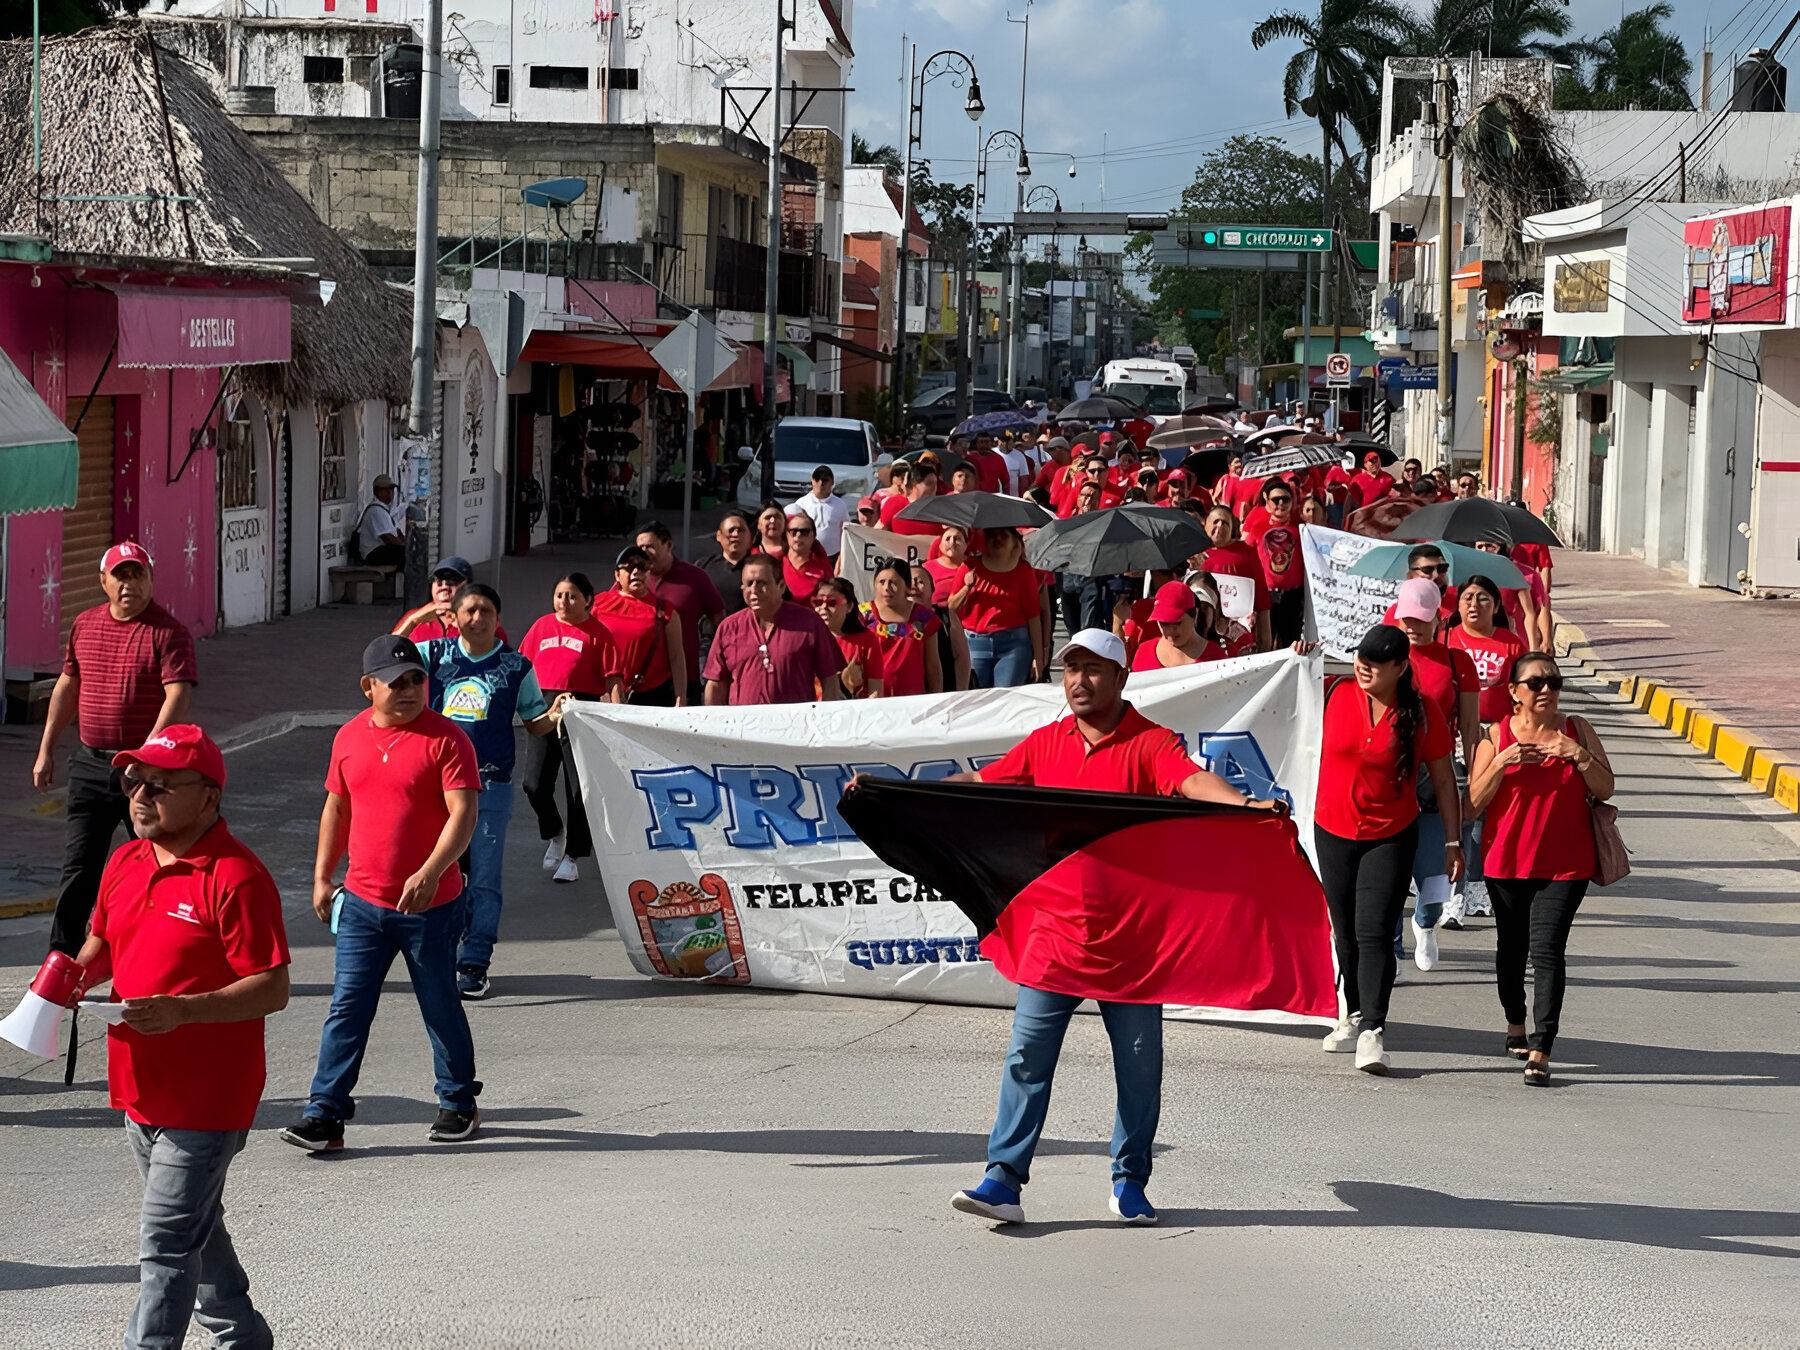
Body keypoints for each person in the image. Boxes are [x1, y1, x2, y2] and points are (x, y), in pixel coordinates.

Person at [943, 629, 1277, 1227]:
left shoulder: (1150, 743)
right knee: (1027, 1056)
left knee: (1140, 1063)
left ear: (1121, 678)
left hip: (1132, 940)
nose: (1078, 681)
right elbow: (982, 785)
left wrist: (1247, 807)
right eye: (1069, 669)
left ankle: (1129, 1182)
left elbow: (1191, 783)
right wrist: (904, 794)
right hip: (1056, 933)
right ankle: (1002, 1180)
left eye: (1092, 669)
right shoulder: (1046, 743)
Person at [73, 724, 288, 1350]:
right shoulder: (125, 860)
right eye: (134, 781)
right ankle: (242, 1335)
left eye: (162, 786)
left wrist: (183, 1012)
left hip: (208, 1098)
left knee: (166, 1241)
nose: (141, 795)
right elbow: (105, 944)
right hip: (139, 1085)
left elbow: (271, 988)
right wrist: (71, 978)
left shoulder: (236, 876)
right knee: (198, 1227)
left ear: (209, 799)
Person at [282, 635, 481, 1151]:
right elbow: (336, 809)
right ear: (369, 687)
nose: (410, 690)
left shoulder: (448, 740)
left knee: (438, 1003)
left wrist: (433, 871)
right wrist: (323, 876)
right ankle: (324, 1114)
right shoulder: (348, 738)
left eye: (416, 679)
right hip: (363, 905)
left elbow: (463, 814)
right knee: (347, 1007)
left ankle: (458, 1102)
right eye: (396, 683)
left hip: (430, 907)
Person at [35, 542, 198, 957]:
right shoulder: (85, 625)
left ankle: (169, 950)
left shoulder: (169, 632)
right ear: (103, 582)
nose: (129, 584)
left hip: (147, 775)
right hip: (90, 767)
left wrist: (145, 759)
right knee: (79, 869)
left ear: (151, 579)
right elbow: (68, 687)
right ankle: (62, 960)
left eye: (137, 574)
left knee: (163, 862)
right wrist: (46, 748)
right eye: (120, 576)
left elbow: (176, 696)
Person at [402, 584, 565, 998]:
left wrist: (557, 714)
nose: (478, 618)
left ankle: (475, 961)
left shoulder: (516, 667)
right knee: (439, 871)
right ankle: (442, 949)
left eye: (487, 611)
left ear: (498, 618)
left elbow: (535, 723)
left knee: (485, 878)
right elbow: (388, 658)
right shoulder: (433, 656)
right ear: (454, 617)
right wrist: (420, 618)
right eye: (470, 611)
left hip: (489, 786)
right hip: (433, 787)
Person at [1314, 624, 1461, 1075]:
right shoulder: (1333, 692)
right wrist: (1298, 654)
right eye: (1361, 658)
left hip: (1391, 834)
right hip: (1332, 829)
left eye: (1376, 664)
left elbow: (1442, 781)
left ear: (1400, 667)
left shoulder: (1424, 713)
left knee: (1375, 929)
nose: (1364, 668)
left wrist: (1454, 842)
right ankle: (1353, 1013)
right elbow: (1281, 692)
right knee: (1345, 931)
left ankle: (1374, 1030)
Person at [1467, 652, 1614, 1086]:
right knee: (1512, 950)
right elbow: (1472, 806)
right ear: (1514, 693)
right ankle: (1515, 1023)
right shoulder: (1494, 738)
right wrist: (1501, 763)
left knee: (1548, 951)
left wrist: (1577, 756)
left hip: (1567, 865)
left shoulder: (1578, 731)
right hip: (1507, 862)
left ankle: (1541, 1048)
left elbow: (1607, 787)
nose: (1546, 689)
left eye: (1553, 681)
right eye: (1535, 683)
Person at [1386, 578, 1481, 972]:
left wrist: (1475, 780)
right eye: (1405, 617)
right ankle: (1388, 953)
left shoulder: (1457, 663)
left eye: (1420, 619)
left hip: (1436, 777)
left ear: (1438, 618)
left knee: (1436, 875)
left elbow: (1472, 728)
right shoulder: (1386, 658)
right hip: (1389, 777)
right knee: (1387, 876)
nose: (1412, 626)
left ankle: (1426, 923)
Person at [518, 573, 621, 885]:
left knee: (578, 789)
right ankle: (554, 831)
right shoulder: (541, 627)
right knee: (534, 783)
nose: (565, 601)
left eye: (573, 595)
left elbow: (613, 678)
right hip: (543, 706)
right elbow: (522, 666)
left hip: (580, 708)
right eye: (560, 595)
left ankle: (573, 856)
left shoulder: (598, 634)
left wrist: (616, 715)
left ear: (588, 599)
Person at [1441, 575, 1525, 928]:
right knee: (1458, 815)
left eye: (1483, 599)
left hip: (1495, 738)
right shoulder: (1446, 639)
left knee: (1480, 817)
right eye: (1468, 598)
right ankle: (1452, 894)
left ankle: (1477, 887)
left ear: (1496, 605)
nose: (1474, 605)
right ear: (1457, 605)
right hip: (1454, 737)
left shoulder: (1510, 644)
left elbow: (1522, 695)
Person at [704, 554, 846, 705]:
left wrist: (826, 720)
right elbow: (716, 685)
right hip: (742, 725)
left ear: (781, 586)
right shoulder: (729, 628)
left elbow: (829, 679)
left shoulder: (809, 623)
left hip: (795, 724)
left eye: (761, 583)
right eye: (749, 583)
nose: (754, 590)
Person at [634, 520, 724, 706]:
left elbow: (719, 618)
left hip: (684, 677)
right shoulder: (632, 579)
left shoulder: (695, 577)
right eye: (640, 547)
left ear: (668, 545)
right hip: (641, 679)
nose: (644, 553)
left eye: (649, 546)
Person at [594, 546, 687, 706]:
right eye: (629, 567)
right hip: (604, 693)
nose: (636, 572)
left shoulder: (664, 611)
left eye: (642, 567)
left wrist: (680, 699)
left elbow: (677, 658)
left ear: (649, 573)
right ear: (617, 575)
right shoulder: (597, 604)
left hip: (650, 696)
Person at [952, 527, 1044, 688]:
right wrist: (967, 587)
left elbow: (1033, 616)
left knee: (1006, 702)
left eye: (1004, 535)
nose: (998, 539)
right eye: (992, 535)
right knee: (978, 702)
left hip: (1013, 646)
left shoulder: (1023, 571)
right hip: (975, 644)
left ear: (1014, 541)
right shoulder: (970, 566)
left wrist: (1038, 656)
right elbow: (951, 606)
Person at [860, 559, 945, 697]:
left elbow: (933, 666)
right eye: (881, 582)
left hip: (912, 701)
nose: (886, 588)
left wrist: (936, 699)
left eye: (893, 583)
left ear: (907, 587)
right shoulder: (862, 616)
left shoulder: (924, 618)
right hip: (871, 701)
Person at [1198, 505, 1272, 652]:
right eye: (1216, 521)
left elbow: (1262, 603)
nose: (1219, 526)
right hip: (1200, 631)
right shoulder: (1193, 553)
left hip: (1237, 633)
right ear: (1205, 524)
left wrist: (1265, 643)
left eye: (1225, 523)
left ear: (1232, 529)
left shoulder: (1246, 555)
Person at [393, 556, 509, 644]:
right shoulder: (415, 617)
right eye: (438, 581)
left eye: (452, 581)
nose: (444, 587)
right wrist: (413, 621)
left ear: (468, 587)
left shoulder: (482, 622)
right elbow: (387, 653)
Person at [1248, 482, 1305, 646]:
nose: (1280, 503)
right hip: (1266, 594)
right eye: (1276, 499)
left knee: (1291, 644)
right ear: (1267, 501)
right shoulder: (1257, 528)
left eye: (1285, 499)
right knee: (1264, 643)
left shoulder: (1302, 529)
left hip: (1293, 595)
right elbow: (1247, 559)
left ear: (1292, 502)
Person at [813, 577, 884, 698]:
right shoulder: (807, 640)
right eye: (818, 602)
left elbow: (875, 691)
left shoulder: (867, 640)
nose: (823, 607)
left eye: (832, 602)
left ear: (850, 606)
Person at [1131, 581, 1225, 670]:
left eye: (1177, 622)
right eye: (1163, 623)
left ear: (1194, 615)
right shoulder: (1144, 653)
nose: (1170, 631)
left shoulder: (1216, 657)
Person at [910, 561, 970, 692]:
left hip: (945, 692)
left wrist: (961, 692)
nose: (914, 586)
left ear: (932, 589)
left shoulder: (946, 615)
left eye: (920, 581)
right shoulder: (897, 620)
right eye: (909, 582)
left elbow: (962, 658)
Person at [1381, 544, 1459, 626]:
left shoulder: (1462, 600)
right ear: (1411, 576)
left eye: (1442, 568)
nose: (1436, 575)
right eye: (1427, 570)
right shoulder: (1396, 614)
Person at [701, 510, 755, 619]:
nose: (735, 534)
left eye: (740, 530)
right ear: (718, 536)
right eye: (731, 530)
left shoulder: (760, 568)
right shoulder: (704, 566)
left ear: (750, 538)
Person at [789, 464, 851, 558]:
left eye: (825, 480)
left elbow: (846, 532)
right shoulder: (801, 504)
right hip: (808, 555)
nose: (821, 483)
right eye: (817, 479)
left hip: (833, 556)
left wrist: (842, 556)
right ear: (812, 481)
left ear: (832, 482)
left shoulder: (840, 505)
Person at [880, 457, 943, 536]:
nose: (934, 488)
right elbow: (879, 533)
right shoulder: (894, 504)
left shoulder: (941, 510)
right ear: (915, 484)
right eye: (929, 483)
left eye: (935, 483)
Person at [354, 473, 406, 567]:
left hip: (382, 550)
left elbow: (397, 532)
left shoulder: (386, 509)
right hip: (372, 553)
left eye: (391, 489)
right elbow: (387, 538)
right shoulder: (376, 510)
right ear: (377, 491)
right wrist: (403, 546)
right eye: (386, 490)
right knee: (405, 555)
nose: (390, 493)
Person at [780, 510, 833, 603]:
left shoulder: (823, 566)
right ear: (786, 535)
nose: (798, 536)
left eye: (804, 532)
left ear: (813, 535)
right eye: (793, 531)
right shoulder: (777, 563)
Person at [925, 524, 971, 604]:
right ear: (940, 545)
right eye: (947, 539)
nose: (952, 542)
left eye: (957, 539)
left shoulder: (973, 569)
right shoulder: (926, 568)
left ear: (966, 545)